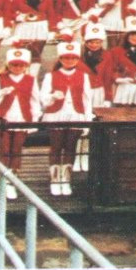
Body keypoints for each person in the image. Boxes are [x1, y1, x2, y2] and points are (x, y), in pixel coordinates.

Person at [41, 40, 94, 195]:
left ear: (77, 59)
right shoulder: (51, 76)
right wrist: (52, 96)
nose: (69, 61)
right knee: (56, 147)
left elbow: (87, 99)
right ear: (60, 59)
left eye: (73, 58)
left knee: (70, 148)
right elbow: (43, 98)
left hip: (76, 114)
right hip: (56, 114)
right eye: (65, 58)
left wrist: (86, 121)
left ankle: (66, 180)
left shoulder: (83, 76)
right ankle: (55, 180)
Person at [0, 48, 40, 196]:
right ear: (8, 65)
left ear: (26, 66)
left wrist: (34, 120)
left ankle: (11, 182)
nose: (17, 68)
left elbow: (35, 101)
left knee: (16, 151)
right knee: (3, 150)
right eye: (14, 65)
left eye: (21, 65)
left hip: (22, 119)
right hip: (3, 119)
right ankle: (0, 182)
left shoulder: (31, 80)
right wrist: (1, 93)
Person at [9, 0, 54, 65]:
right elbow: (10, 12)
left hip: (40, 27)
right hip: (24, 27)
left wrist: (52, 30)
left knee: (36, 54)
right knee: (22, 53)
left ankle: (33, 78)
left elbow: (51, 15)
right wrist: (21, 17)